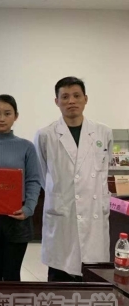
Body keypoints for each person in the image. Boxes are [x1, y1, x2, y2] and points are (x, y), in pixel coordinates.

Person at [34, 77, 113, 282]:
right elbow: (42, 174)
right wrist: (59, 195)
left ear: (85, 99)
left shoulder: (103, 132)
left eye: (77, 96)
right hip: (63, 214)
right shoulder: (45, 135)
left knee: (95, 278)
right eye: (65, 97)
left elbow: (104, 170)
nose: (71, 101)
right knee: (60, 277)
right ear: (57, 101)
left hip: (94, 213)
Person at [0, 95, 42, 281]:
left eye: (7, 113)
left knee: (12, 274)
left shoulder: (26, 147)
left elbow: (33, 180)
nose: (2, 118)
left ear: (16, 116)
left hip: (18, 215)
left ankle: (13, 302)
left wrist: (28, 208)